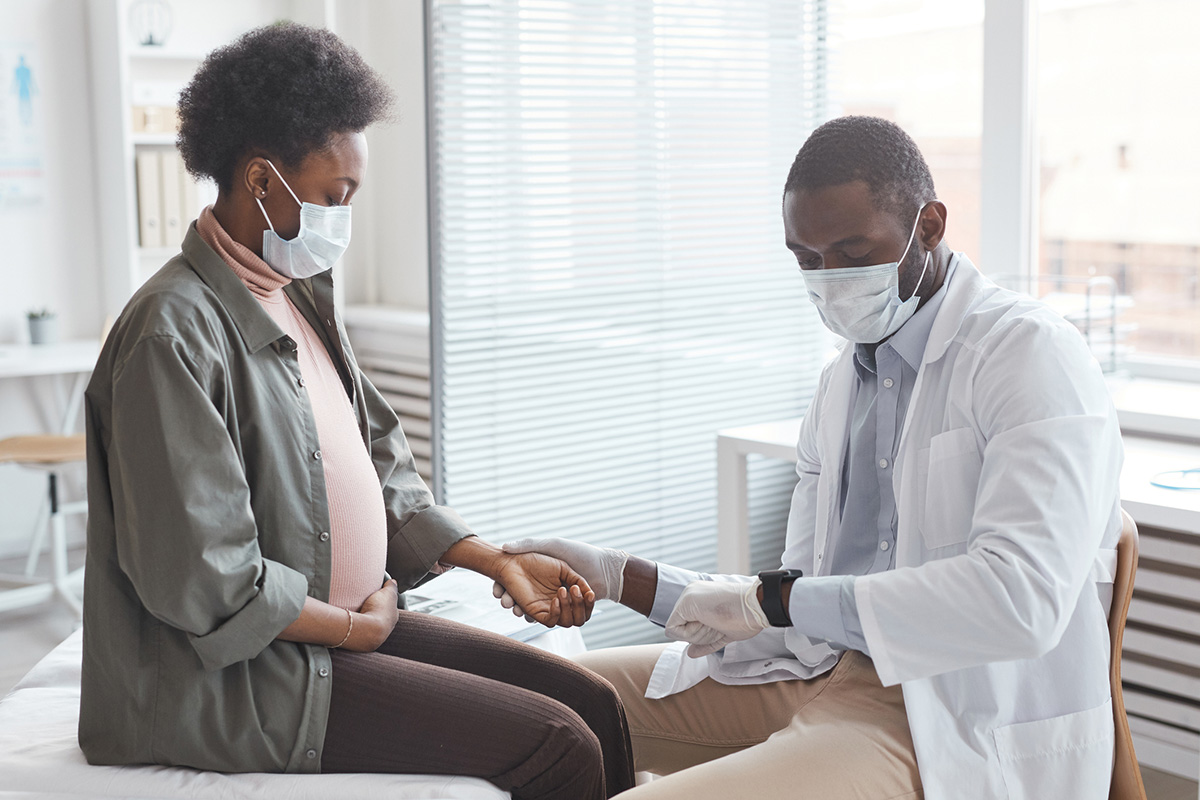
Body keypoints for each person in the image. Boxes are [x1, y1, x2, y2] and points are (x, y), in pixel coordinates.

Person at [79, 23, 635, 800]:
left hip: (336, 628)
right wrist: (357, 630)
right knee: (559, 747)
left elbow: (383, 471)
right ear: (262, 180)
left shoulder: (296, 297)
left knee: (596, 706)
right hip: (244, 676)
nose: (345, 217)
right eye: (336, 195)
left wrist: (496, 560)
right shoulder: (171, 333)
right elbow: (206, 579)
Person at [497, 116, 1123, 799]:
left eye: (854, 253)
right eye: (807, 259)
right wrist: (618, 575)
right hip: (816, 672)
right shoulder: (839, 387)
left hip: (944, 714)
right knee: (523, 706)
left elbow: (1019, 601)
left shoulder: (1027, 354)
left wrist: (776, 600)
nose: (830, 281)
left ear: (930, 226)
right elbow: (792, 600)